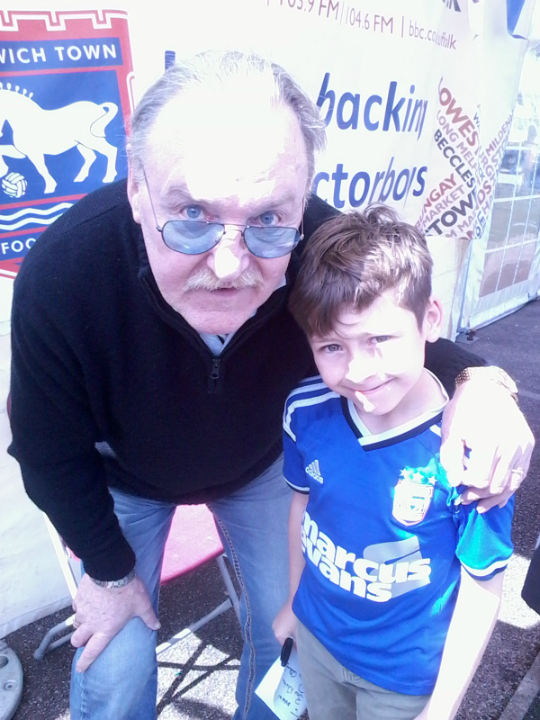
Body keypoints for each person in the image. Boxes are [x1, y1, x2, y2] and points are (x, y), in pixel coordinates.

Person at [7, 50, 532, 720]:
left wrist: (484, 382)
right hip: (124, 481)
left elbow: (389, 319)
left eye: (267, 220)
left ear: (305, 195)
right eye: (191, 214)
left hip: (261, 466)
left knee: (286, 628)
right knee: (115, 664)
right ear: (136, 188)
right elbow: (47, 452)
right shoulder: (63, 275)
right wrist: (109, 574)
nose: (230, 264)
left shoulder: (309, 236)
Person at [273, 207, 514, 720]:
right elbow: (302, 507)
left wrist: (443, 707)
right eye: (332, 346)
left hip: (405, 681)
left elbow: (483, 581)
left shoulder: (470, 447)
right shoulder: (305, 410)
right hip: (317, 642)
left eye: (379, 340)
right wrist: (295, 602)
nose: (358, 371)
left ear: (431, 319)